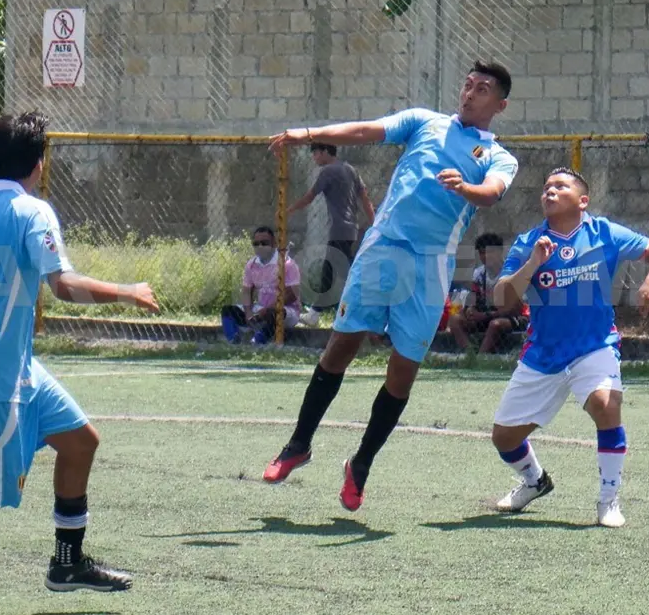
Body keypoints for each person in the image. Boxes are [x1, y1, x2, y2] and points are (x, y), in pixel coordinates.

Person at [0, 112, 159, 610]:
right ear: (39, 163)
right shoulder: (33, 211)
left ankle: (67, 563)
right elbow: (62, 286)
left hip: (18, 369)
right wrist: (125, 290)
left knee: (80, 442)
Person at [262, 60, 519, 512]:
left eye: (482, 89)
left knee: (402, 373)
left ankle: (359, 465)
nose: (470, 93)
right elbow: (366, 131)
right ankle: (297, 445)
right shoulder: (424, 121)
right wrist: (308, 133)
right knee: (340, 348)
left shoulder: (498, 155)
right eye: (468, 84)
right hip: (382, 250)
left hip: (429, 266)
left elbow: (494, 190)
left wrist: (465, 188)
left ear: (499, 104)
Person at [489, 168, 649, 528]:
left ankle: (608, 500)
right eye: (546, 187)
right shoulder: (529, 242)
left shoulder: (604, 232)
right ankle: (534, 481)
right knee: (504, 438)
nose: (550, 191)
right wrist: (533, 265)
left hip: (594, 346)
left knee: (606, 405)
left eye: (560, 186)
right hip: (543, 353)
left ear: (583, 200)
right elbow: (501, 298)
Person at [287, 143, 376, 325]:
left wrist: (289, 210)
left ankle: (359, 312)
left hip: (339, 230)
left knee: (342, 275)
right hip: (350, 230)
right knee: (334, 272)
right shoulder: (350, 170)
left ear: (326, 152)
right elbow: (364, 197)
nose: (315, 158)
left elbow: (310, 196)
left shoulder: (328, 171)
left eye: (316, 154)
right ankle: (317, 312)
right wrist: (374, 222)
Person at [448, 232, 530, 353]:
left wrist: (485, 315)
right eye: (482, 252)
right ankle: (469, 354)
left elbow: (515, 309)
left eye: (490, 252)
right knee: (455, 319)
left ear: (499, 252)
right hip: (485, 317)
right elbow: (472, 298)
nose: (485, 256)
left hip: (514, 318)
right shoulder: (478, 274)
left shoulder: (511, 273)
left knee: (495, 325)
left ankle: (480, 359)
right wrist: (471, 310)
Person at [219, 226, 302, 345]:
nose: (260, 246)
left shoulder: (286, 263)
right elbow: (247, 291)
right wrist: (248, 312)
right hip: (261, 308)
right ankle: (234, 341)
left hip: (287, 311)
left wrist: (267, 309)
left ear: (274, 243)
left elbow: (292, 294)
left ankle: (258, 342)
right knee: (228, 310)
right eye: (256, 243)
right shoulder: (252, 265)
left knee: (274, 312)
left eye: (264, 243)